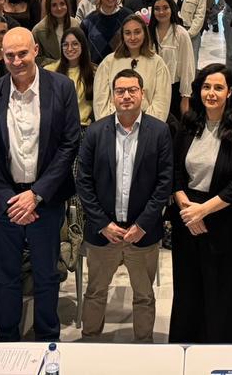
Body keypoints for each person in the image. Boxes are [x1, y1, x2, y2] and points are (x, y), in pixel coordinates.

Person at [0, 26, 80, 342]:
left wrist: (36, 195)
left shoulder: (61, 87)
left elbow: (69, 144)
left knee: (47, 274)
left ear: (36, 50)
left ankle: (48, 336)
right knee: (5, 276)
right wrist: (11, 198)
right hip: (4, 203)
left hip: (45, 199)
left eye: (22, 53)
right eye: (10, 55)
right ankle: (7, 337)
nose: (17, 60)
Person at [74, 69, 173, 342]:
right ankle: (90, 341)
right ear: (112, 95)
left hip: (142, 234)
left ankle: (143, 346)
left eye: (132, 90)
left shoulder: (160, 132)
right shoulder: (95, 132)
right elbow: (84, 183)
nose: (126, 96)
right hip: (103, 232)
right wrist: (102, 224)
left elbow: (164, 184)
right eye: (120, 91)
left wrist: (143, 225)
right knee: (95, 293)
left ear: (142, 93)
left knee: (144, 296)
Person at [169, 65, 232, 343]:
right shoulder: (189, 122)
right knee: (187, 290)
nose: (211, 93)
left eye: (218, 87)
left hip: (221, 220)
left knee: (220, 294)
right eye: (207, 87)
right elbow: (174, 172)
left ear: (230, 92)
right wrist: (186, 208)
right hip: (187, 220)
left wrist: (202, 211)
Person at [91, 14, 172, 122]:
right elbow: (100, 103)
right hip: (113, 128)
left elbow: (161, 104)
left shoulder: (158, 63)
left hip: (147, 129)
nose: (133, 37)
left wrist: (145, 128)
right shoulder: (108, 63)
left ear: (145, 34)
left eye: (137, 32)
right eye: (128, 33)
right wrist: (112, 127)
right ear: (122, 36)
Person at [149, 0, 196, 117]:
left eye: (165, 8)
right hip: (152, 89)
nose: (161, 12)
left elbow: (187, 67)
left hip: (174, 90)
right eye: (157, 9)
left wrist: (185, 96)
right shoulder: (148, 33)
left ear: (172, 9)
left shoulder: (181, 34)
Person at [46, 26, 96, 129]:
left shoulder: (94, 72)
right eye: (65, 45)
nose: (69, 49)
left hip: (83, 128)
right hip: (57, 128)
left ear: (83, 45)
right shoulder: (49, 71)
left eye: (75, 44)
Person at [81, 0, 131, 64]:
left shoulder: (128, 17)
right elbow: (82, 49)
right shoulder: (89, 21)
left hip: (123, 68)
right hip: (96, 70)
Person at [32, 0, 77, 67]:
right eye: (54, 5)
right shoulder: (38, 30)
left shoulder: (76, 24)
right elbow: (36, 57)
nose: (59, 8)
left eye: (62, 4)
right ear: (49, 8)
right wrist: (58, 64)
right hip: (50, 73)